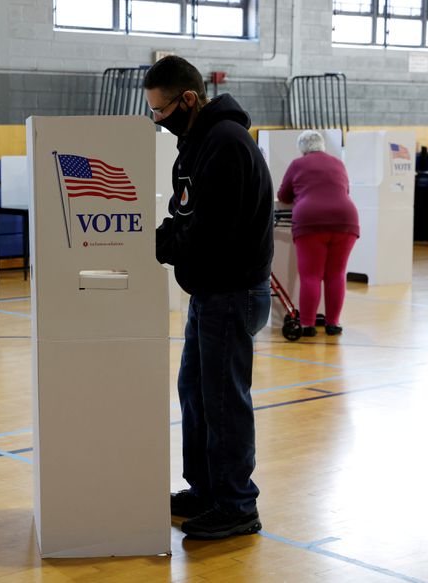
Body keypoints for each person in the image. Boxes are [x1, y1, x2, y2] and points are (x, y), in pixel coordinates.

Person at [145, 56, 273, 539]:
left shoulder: (225, 144)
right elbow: (184, 216)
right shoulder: (196, 144)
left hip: (232, 290)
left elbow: (209, 232)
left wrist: (155, 245)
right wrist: (158, 236)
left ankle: (238, 505)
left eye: (160, 110)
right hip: (210, 291)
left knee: (223, 403)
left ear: (190, 100)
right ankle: (205, 489)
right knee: (196, 394)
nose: (157, 119)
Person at [277, 131, 359, 337]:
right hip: (346, 220)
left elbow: (283, 195)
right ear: (323, 145)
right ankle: (333, 324)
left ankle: (307, 325)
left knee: (311, 276)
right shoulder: (338, 163)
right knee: (336, 274)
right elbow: (345, 191)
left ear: (302, 148)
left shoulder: (297, 164)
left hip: (310, 221)